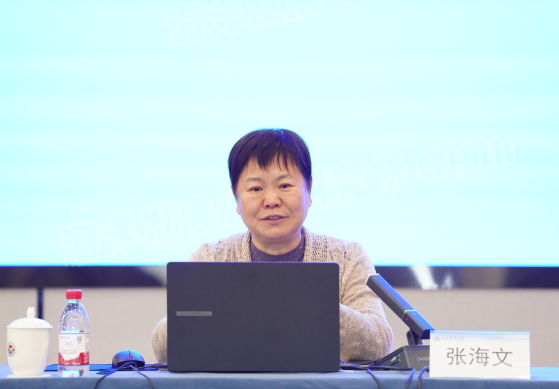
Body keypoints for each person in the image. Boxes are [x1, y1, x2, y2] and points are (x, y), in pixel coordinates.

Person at [152, 128, 394, 363]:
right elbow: (163, 348)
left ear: (309, 189)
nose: (271, 200)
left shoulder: (347, 256)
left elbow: (378, 344)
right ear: (236, 197)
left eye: (285, 185)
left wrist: (313, 303)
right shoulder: (212, 257)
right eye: (256, 188)